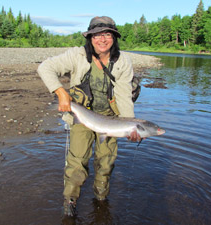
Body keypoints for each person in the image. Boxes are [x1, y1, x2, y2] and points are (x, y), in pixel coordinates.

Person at [37, 16, 141, 217]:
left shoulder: (122, 61)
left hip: (111, 120)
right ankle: (70, 203)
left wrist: (130, 126)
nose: (103, 39)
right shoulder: (77, 55)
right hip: (82, 118)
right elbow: (45, 68)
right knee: (77, 163)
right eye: (98, 35)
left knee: (106, 164)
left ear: (114, 38)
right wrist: (60, 92)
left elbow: (124, 95)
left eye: (108, 35)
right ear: (90, 37)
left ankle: (101, 201)